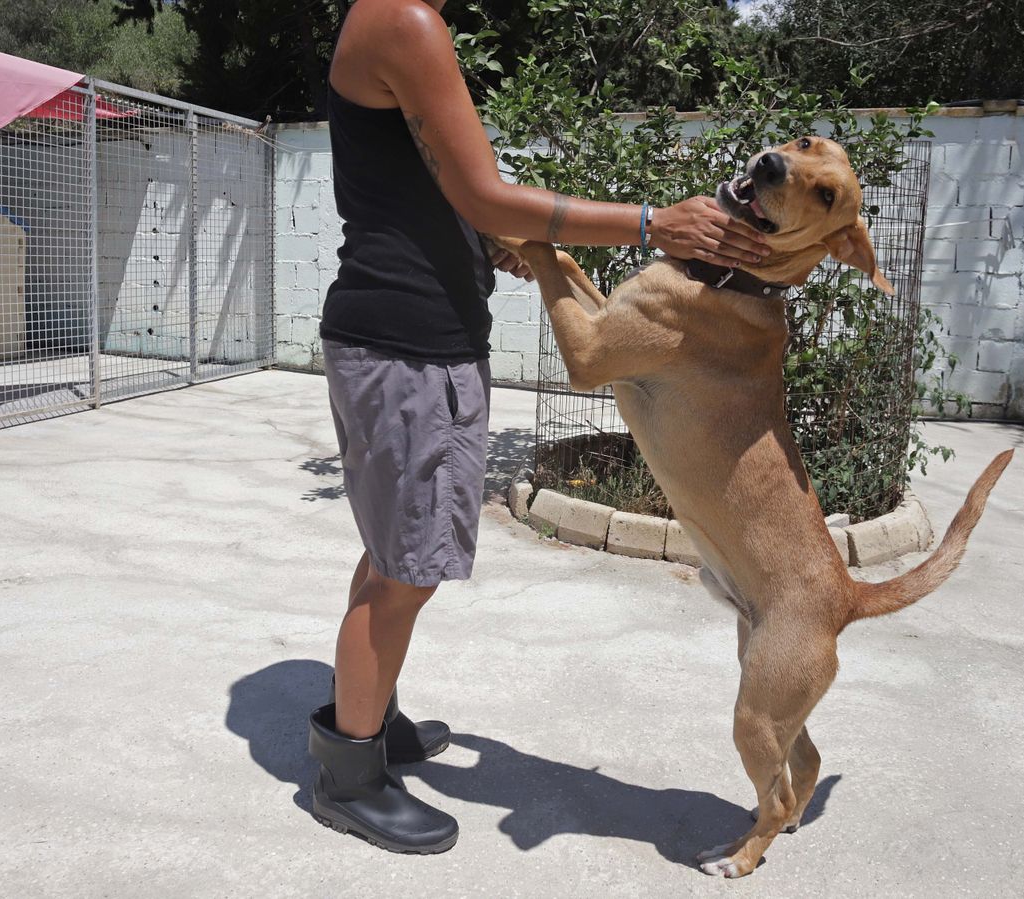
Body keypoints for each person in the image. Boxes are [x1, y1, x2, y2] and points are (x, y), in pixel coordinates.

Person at [307, 0, 772, 854]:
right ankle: (349, 776)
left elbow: (437, 193)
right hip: (408, 345)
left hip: (399, 334)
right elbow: (483, 190)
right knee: (404, 572)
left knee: (389, 555)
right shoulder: (404, 18)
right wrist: (650, 222)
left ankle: (368, 717)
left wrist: (489, 245)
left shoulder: (394, 22)